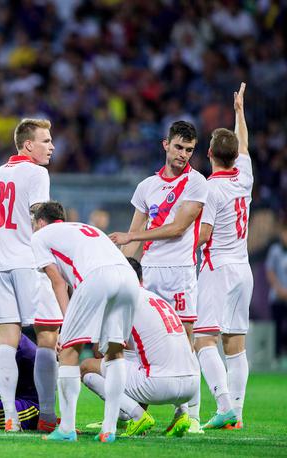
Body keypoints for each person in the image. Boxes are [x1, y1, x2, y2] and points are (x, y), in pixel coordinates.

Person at [109, 120, 208, 431]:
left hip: (179, 272)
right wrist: (123, 274)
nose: (183, 155)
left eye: (189, 150)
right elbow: (135, 234)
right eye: (179, 147)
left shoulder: (196, 183)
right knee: (139, 344)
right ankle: (136, 414)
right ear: (166, 144)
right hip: (149, 272)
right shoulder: (146, 187)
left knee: (185, 340)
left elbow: (178, 228)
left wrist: (130, 237)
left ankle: (188, 415)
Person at [31, 201, 139, 443]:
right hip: (128, 277)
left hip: (98, 277)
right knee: (115, 351)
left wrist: (66, 326)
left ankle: (67, 429)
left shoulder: (40, 236)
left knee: (68, 350)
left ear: (39, 222)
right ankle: (109, 430)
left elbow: (59, 282)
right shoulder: (83, 228)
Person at [0, 118, 66, 432]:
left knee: (7, 340)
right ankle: (46, 415)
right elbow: (40, 221)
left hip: (3, 265)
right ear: (28, 145)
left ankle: (10, 418)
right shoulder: (37, 173)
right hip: (29, 264)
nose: (52, 146)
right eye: (46, 141)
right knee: (48, 336)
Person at [81, 257, 200, 438]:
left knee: (87, 367)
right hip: (192, 386)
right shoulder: (157, 299)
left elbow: (105, 351)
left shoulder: (122, 300)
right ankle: (181, 414)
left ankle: (137, 416)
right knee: (144, 358)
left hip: (160, 384)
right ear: (141, 279)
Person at [195, 83, 252, 430]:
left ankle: (223, 405)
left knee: (203, 339)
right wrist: (240, 112)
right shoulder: (244, 177)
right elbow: (242, 143)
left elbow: (203, 235)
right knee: (235, 343)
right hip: (243, 268)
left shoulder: (210, 188)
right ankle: (238, 415)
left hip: (217, 268)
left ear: (210, 154)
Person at [267, 222, 287, 358]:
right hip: (277, 296)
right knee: (277, 328)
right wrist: (279, 289)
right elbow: (270, 271)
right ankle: (276, 356)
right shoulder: (275, 250)